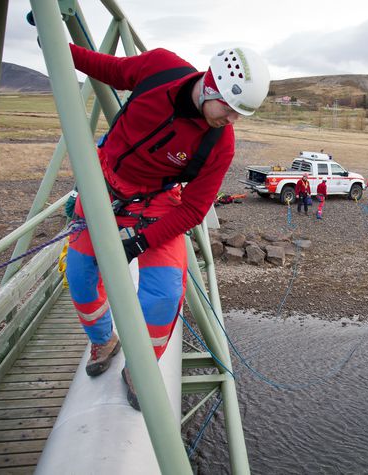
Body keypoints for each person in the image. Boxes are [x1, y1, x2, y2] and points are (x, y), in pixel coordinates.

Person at [64, 44, 270, 410]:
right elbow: (105, 67)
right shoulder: (160, 68)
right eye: (229, 109)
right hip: (103, 187)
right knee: (79, 275)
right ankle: (102, 340)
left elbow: (192, 210)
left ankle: (139, 369)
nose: (232, 121)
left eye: (241, 114)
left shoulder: (219, 144)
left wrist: (140, 243)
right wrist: (52, 42)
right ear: (210, 85)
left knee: (162, 295)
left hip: (155, 203)